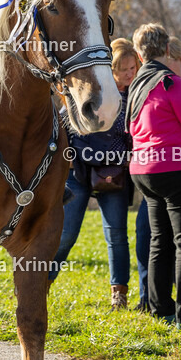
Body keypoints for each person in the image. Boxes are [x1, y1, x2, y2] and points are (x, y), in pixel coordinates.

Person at [127, 23, 181, 328]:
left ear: (138, 54)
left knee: (159, 241)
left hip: (144, 171)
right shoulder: (169, 82)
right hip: (179, 170)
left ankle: (160, 309)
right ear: (167, 49)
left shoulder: (137, 84)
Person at [49, 37, 136, 309]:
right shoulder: (94, 91)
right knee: (66, 234)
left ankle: (119, 293)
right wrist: (69, 158)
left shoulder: (134, 96)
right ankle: (42, 282)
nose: (130, 74)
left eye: (133, 68)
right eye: (124, 69)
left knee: (117, 235)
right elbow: (62, 122)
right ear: (111, 69)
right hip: (80, 171)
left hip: (115, 172)